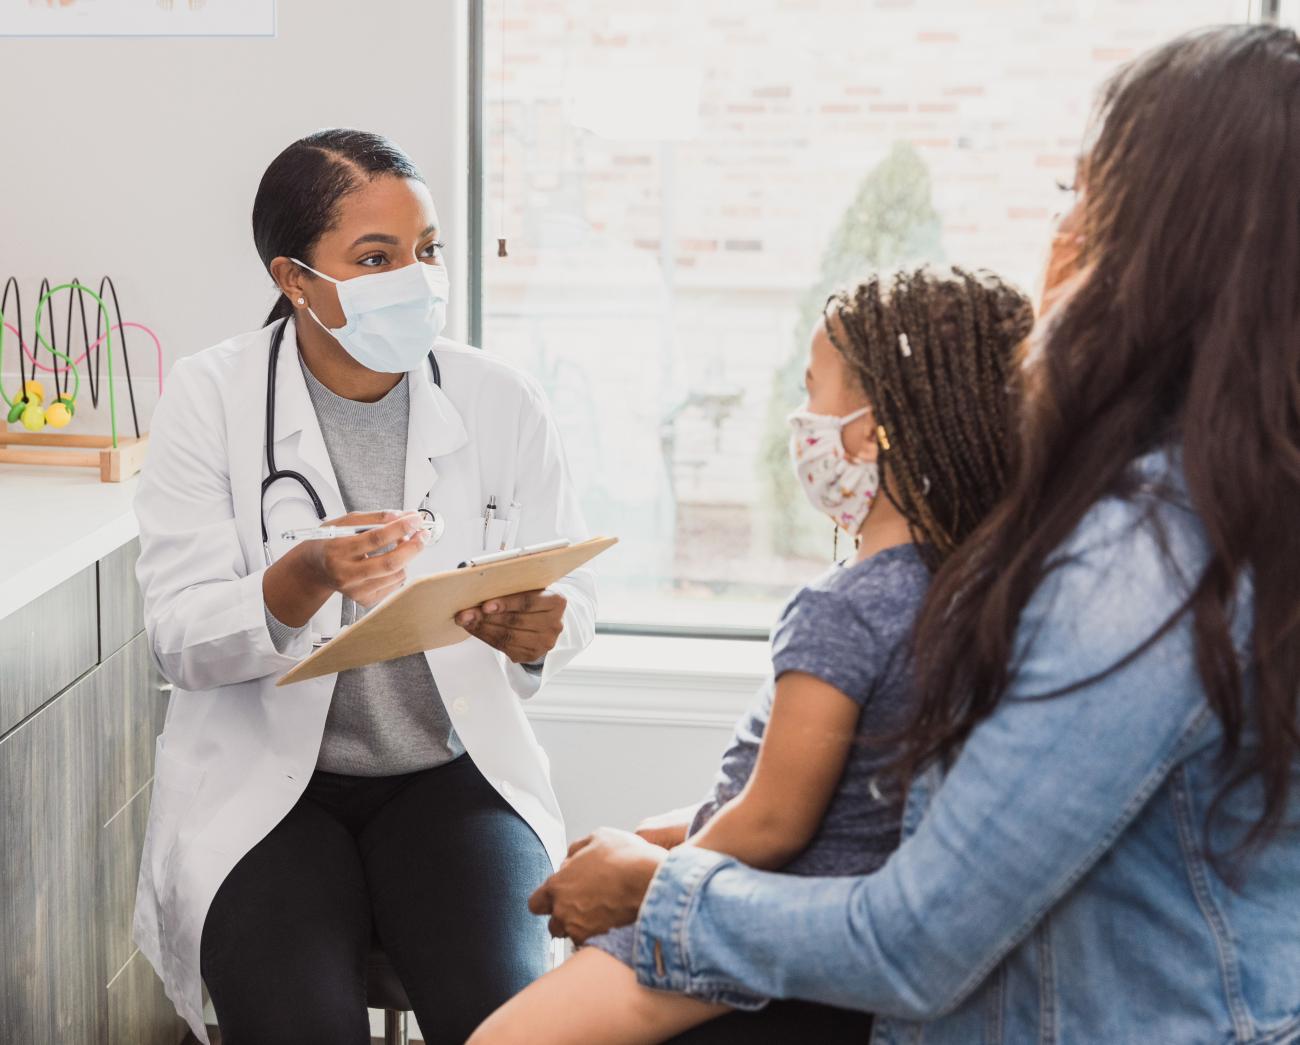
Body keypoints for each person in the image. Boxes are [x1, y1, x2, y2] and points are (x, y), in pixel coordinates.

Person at [526, 23, 1300, 1045]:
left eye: (1081, 195)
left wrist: (654, 889)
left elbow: (914, 938)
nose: (1057, 233)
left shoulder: (1139, 562)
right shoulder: (1225, 508)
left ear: (1158, 243)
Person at [471, 267, 1032, 1045]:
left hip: (748, 914)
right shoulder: (974, 589)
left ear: (868, 433)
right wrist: (673, 828)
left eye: (814, 394)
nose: (801, 421)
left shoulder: (844, 610)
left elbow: (773, 821)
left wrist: (652, 885)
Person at [132, 129, 596, 1044]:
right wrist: (300, 577)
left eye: (426, 251)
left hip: (448, 776)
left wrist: (542, 628)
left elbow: (568, 595)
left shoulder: (498, 398)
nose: (416, 278)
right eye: (375, 257)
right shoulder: (210, 397)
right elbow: (178, 636)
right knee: (300, 1024)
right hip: (271, 794)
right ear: (295, 279)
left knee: (508, 1020)